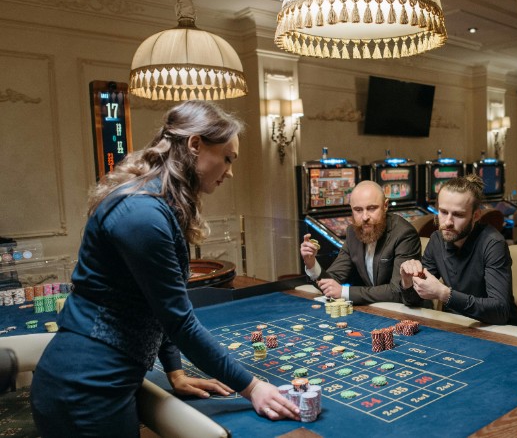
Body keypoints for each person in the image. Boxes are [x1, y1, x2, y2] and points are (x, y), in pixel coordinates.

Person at [30, 101, 299, 438]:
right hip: (86, 388)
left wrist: (175, 371)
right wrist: (252, 387)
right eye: (227, 158)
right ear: (195, 144)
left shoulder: (156, 203)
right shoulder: (142, 213)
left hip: (99, 382)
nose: (230, 171)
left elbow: (155, 303)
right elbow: (179, 320)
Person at [399, 175, 517, 325]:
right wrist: (407, 282)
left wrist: (445, 294)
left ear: (475, 216)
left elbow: (499, 312)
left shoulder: (493, 244)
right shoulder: (437, 239)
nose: (448, 222)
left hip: (499, 332)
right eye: (443, 212)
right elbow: (414, 301)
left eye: (458, 215)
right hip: (457, 326)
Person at [300, 180, 422, 305]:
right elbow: (331, 282)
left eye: (372, 208)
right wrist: (311, 263)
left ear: (385, 206)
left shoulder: (404, 234)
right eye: (358, 210)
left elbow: (397, 291)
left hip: (409, 311)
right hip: (376, 309)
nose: (364, 217)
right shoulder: (353, 233)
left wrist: (344, 292)